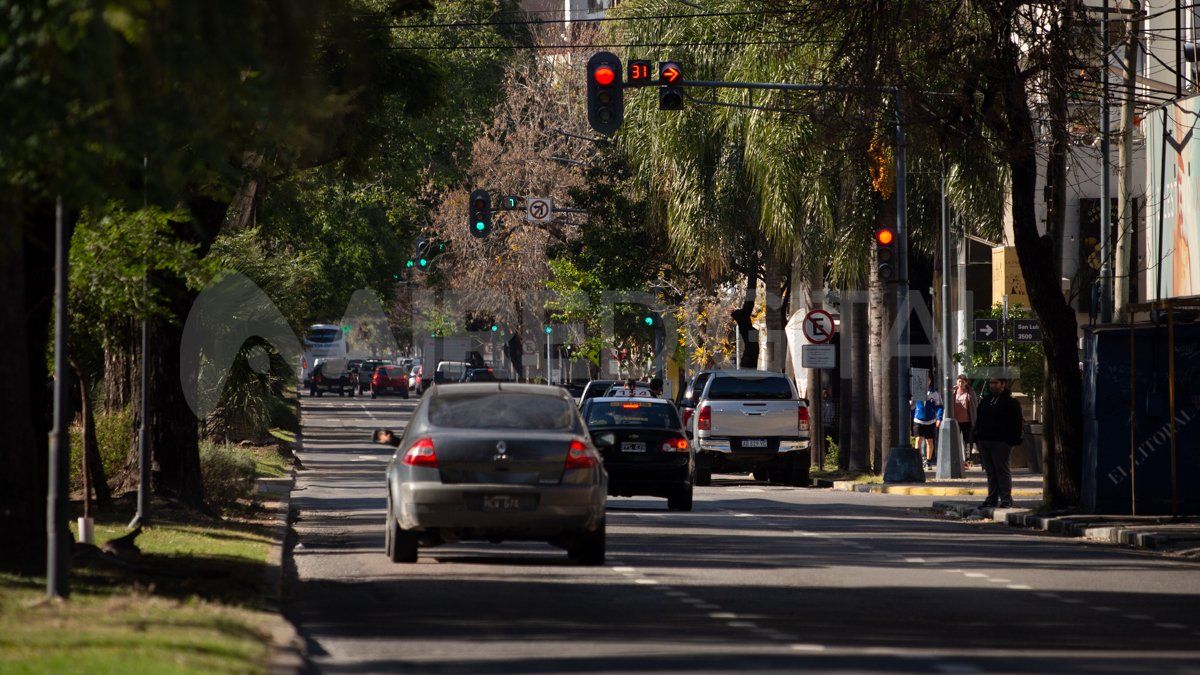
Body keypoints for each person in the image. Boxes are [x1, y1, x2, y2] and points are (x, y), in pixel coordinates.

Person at [971, 378, 1024, 508]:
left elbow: (1016, 423)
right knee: (990, 472)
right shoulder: (986, 401)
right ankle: (992, 498)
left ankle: (1006, 499)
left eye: (995, 383)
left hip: (1001, 442)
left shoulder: (1011, 402)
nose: (992, 386)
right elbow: (979, 420)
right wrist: (977, 437)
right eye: (991, 383)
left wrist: (1011, 440)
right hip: (985, 441)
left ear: (1003, 384)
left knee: (1002, 470)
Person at [912, 372, 943, 470]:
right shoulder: (917, 391)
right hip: (918, 420)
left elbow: (939, 406)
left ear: (930, 381)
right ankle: (918, 461)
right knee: (918, 440)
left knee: (929, 441)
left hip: (930, 421)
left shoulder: (934, 393)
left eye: (928, 380)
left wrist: (939, 418)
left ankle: (928, 461)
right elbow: (911, 405)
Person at [951, 375, 979, 470]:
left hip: (967, 421)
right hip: (955, 421)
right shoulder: (953, 392)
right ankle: (956, 459)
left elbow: (975, 407)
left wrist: (975, 420)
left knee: (968, 441)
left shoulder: (970, 393)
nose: (960, 383)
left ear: (966, 382)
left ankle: (967, 460)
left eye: (963, 382)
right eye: (959, 381)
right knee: (954, 440)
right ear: (956, 382)